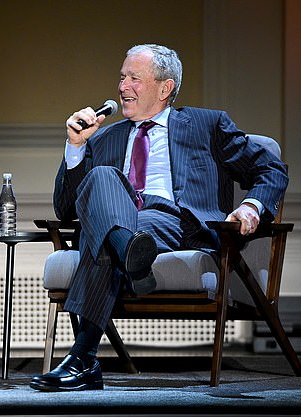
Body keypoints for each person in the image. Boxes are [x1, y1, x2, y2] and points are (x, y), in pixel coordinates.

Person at [30, 44, 288, 392]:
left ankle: (83, 358)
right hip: (128, 222)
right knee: (102, 179)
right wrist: (75, 147)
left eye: (134, 78)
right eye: (122, 78)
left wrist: (252, 206)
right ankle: (128, 252)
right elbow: (67, 209)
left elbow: (270, 168)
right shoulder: (104, 137)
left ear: (164, 88)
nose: (122, 87)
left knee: (103, 234)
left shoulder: (205, 124)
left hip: (178, 222)